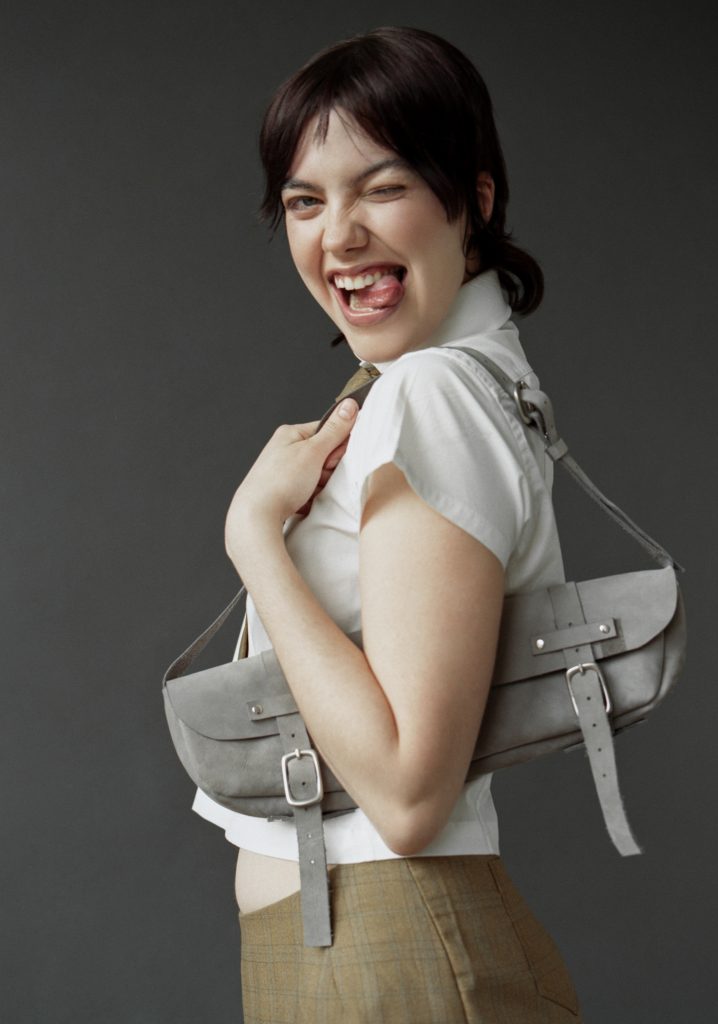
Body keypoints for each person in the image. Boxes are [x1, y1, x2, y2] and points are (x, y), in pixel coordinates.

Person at [193, 26, 582, 1023]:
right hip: (364, 948)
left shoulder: (430, 396)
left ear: (475, 198)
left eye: (383, 186)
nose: (339, 236)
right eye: (304, 201)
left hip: (388, 954)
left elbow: (409, 794)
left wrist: (253, 537)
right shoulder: (457, 380)